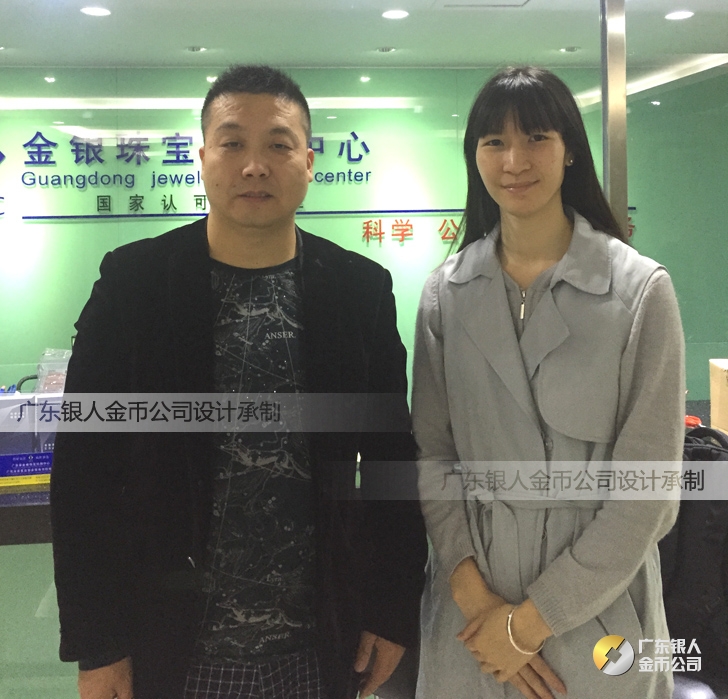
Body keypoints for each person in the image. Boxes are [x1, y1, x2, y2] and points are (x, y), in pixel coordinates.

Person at [51, 64, 427, 699]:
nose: (255, 166)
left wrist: (391, 611)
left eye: (279, 145)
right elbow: (85, 470)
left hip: (320, 642)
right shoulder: (134, 284)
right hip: (169, 644)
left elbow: (392, 461)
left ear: (309, 162)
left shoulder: (358, 290)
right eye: (232, 144)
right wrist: (97, 643)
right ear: (202, 159)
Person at [412, 66, 684, 699]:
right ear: (474, 156)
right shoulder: (445, 295)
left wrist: (529, 624)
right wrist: (476, 600)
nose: (515, 161)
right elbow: (433, 455)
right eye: (494, 142)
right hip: (471, 615)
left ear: (569, 151)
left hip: (597, 611)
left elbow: (649, 490)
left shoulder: (640, 292)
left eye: (536, 137)